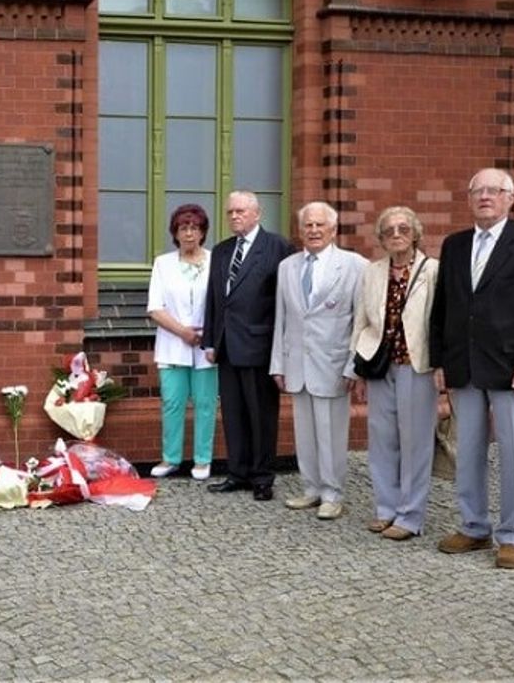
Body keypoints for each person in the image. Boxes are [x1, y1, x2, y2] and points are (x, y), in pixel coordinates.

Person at [430, 168, 514, 569]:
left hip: (512, 366)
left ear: (510, 198)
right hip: (464, 365)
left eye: (495, 190)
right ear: (469, 199)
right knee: (467, 450)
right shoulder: (454, 245)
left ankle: (513, 534)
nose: (486, 196)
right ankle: (473, 526)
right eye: (478, 191)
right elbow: (442, 309)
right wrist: (440, 362)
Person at [270, 201, 367, 520]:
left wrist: (354, 364)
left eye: (319, 225)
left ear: (333, 229)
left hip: (334, 363)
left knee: (331, 432)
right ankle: (311, 488)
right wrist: (278, 364)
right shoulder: (288, 267)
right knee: (305, 431)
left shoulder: (355, 266)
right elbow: (281, 320)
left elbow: (360, 321)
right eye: (307, 225)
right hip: (297, 362)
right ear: (300, 230)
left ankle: (332, 492)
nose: (313, 230)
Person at [351, 206, 439, 540]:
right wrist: (356, 369)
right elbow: (360, 322)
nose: (396, 235)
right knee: (381, 439)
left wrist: (443, 366)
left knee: (415, 441)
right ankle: (386, 508)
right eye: (389, 231)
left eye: (403, 229)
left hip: (417, 365)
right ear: (381, 238)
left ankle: (410, 516)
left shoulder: (433, 271)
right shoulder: (372, 272)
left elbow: (440, 322)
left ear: (416, 233)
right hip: (379, 364)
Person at [202, 190, 293, 501]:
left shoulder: (277, 247)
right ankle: (237, 472)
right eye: (230, 212)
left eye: (240, 211)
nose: (234, 216)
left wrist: (284, 348)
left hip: (260, 345)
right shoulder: (222, 250)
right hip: (227, 346)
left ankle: (262, 477)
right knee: (233, 414)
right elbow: (214, 300)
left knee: (261, 415)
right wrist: (210, 341)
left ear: (257, 214)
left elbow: (287, 300)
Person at [146, 204, 217, 480]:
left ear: (203, 232)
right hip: (172, 345)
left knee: (206, 403)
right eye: (183, 228)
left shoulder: (215, 261)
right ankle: (171, 458)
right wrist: (182, 332)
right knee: (173, 403)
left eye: (194, 228)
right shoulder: (163, 264)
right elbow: (155, 307)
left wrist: (207, 336)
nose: (189, 234)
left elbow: (222, 305)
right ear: (175, 233)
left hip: (206, 346)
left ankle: (202, 459)